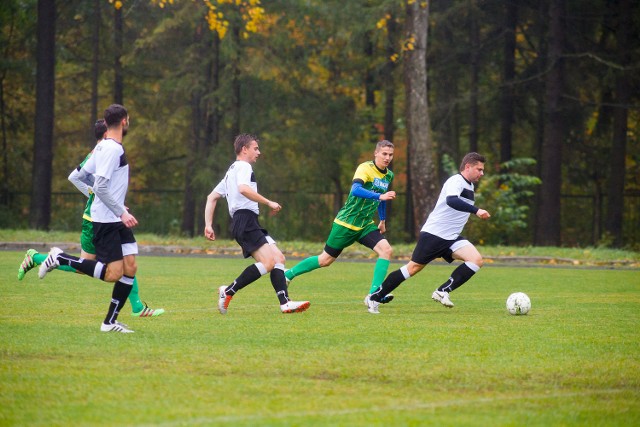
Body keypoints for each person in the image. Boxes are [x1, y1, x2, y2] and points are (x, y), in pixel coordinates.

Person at [17, 119, 164, 318]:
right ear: (106, 134)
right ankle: (37, 258)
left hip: (110, 216)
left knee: (126, 260)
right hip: (96, 219)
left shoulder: (107, 152)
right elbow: (74, 177)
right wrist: (95, 195)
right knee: (86, 266)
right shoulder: (99, 153)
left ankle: (137, 306)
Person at [38, 104, 143, 333]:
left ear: (106, 123)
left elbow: (78, 176)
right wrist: (120, 211)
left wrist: (111, 202)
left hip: (113, 216)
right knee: (113, 274)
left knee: (130, 266)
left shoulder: (103, 147)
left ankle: (109, 323)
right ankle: (60, 258)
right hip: (107, 220)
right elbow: (102, 186)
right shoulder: (112, 149)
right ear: (125, 121)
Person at [365, 152, 491, 314]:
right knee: (412, 269)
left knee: (476, 260)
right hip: (434, 234)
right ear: (468, 167)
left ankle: (442, 291)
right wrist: (477, 210)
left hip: (451, 237)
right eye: (479, 169)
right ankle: (374, 297)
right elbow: (451, 200)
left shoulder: (470, 186)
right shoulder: (456, 181)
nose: (482, 173)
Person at [205, 133, 310, 315]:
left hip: (248, 220)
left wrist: (208, 224)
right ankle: (228, 291)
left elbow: (211, 197)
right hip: (244, 220)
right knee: (269, 262)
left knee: (279, 258)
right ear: (244, 149)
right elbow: (243, 189)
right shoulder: (243, 166)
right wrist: (269, 202)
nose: (259, 152)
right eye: (255, 148)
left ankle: (285, 303)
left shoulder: (231, 171)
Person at [284, 139, 396, 305]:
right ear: (376, 153)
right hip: (346, 223)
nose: (387, 158)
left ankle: (374, 295)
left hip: (365, 224)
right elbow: (356, 190)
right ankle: (288, 275)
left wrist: (382, 220)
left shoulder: (389, 175)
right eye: (384, 154)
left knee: (386, 250)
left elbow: (383, 197)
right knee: (325, 260)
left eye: (391, 155)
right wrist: (380, 196)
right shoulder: (365, 168)